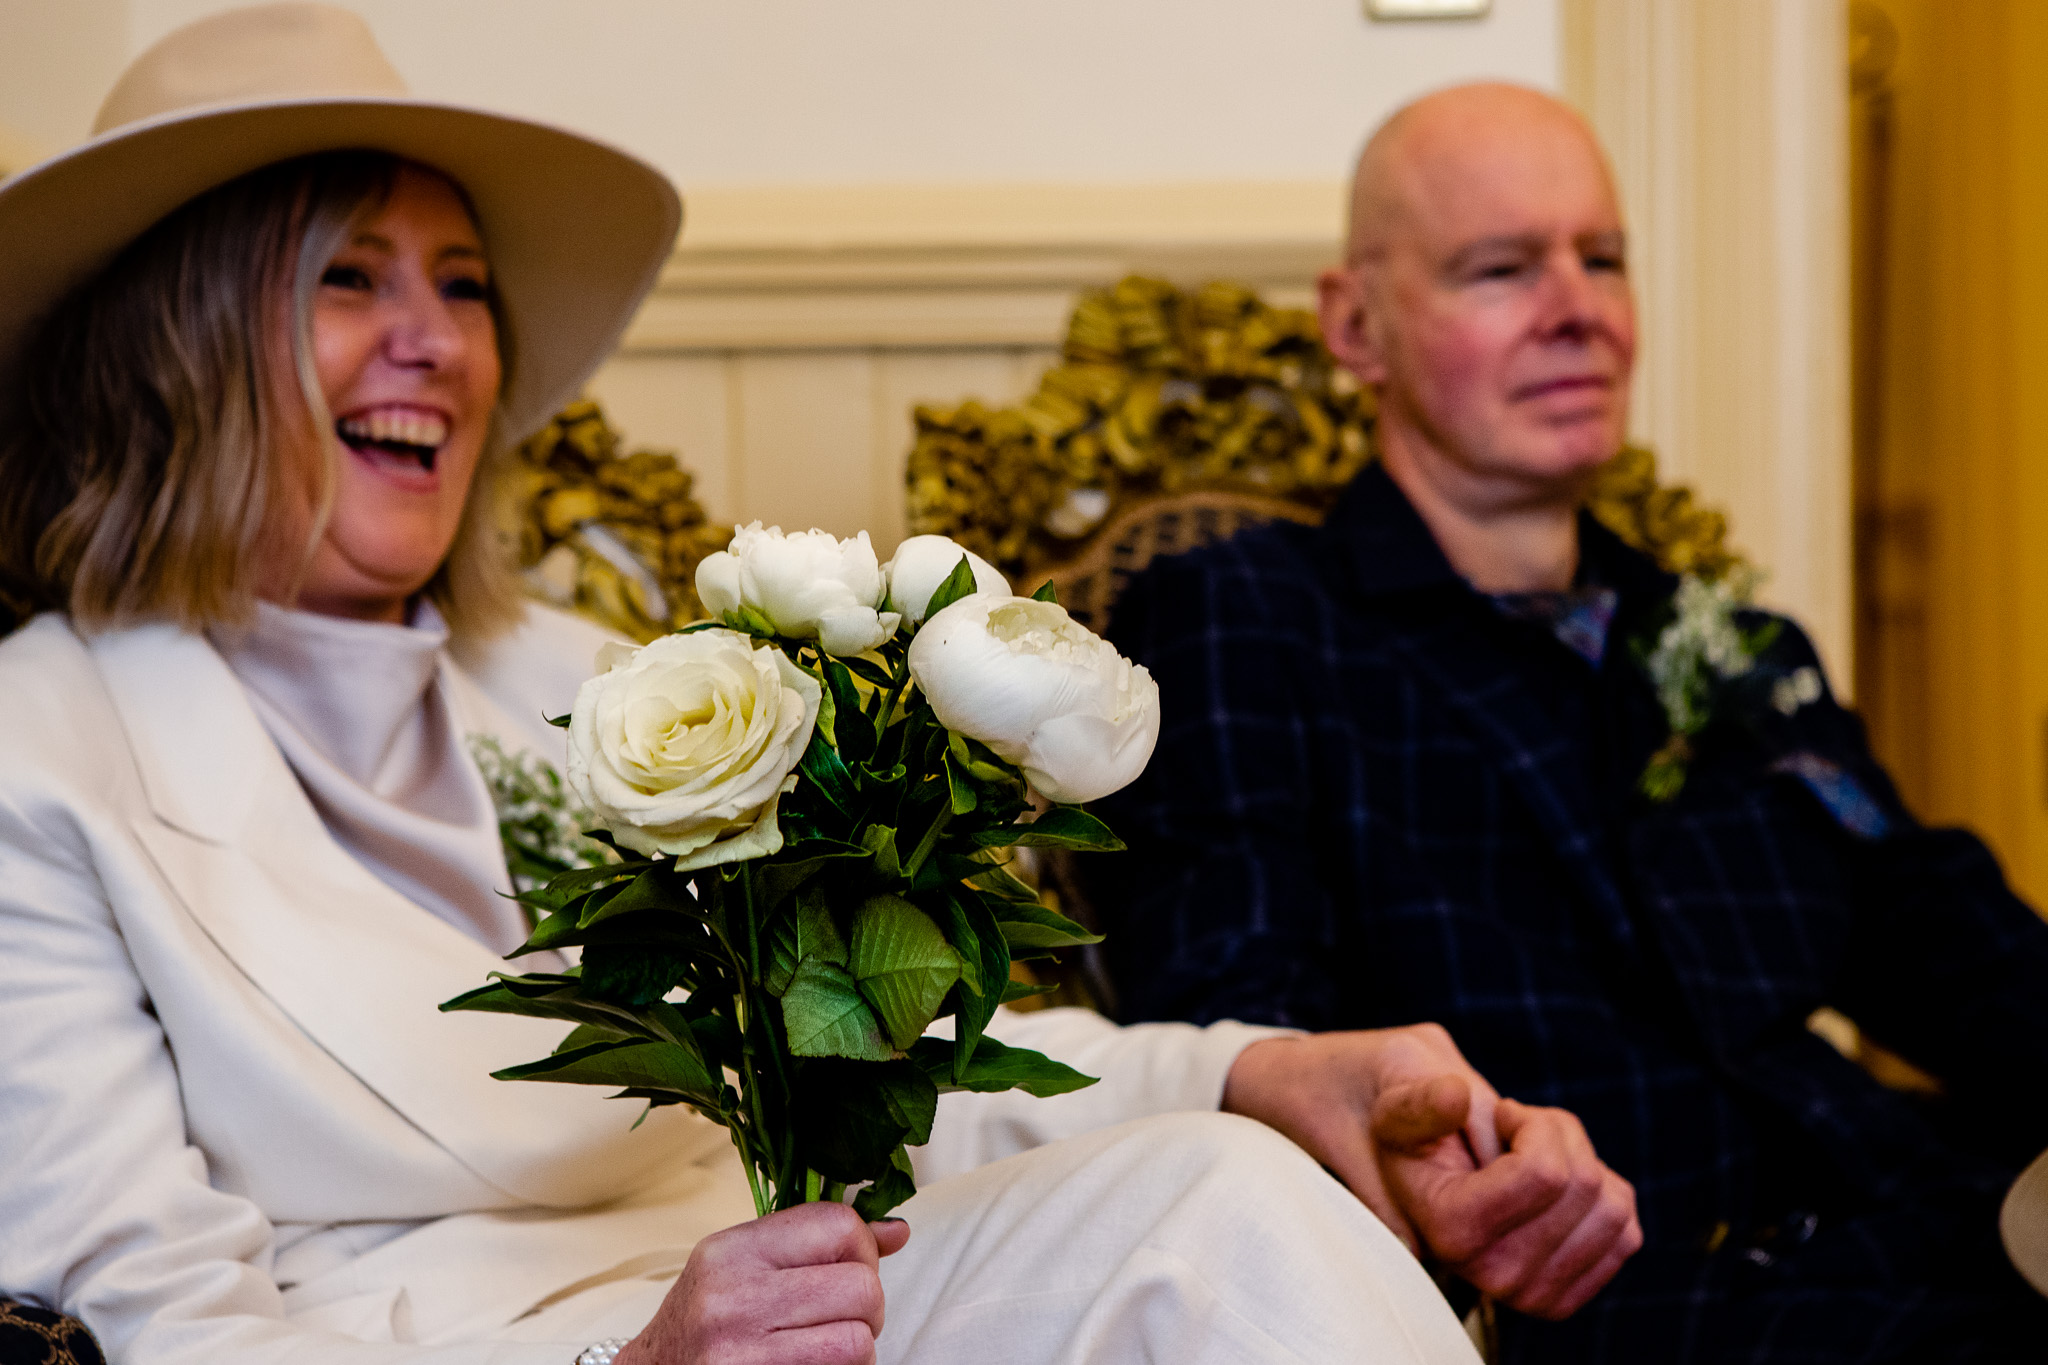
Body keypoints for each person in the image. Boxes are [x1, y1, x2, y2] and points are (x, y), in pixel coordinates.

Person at [0, 14, 1638, 1365]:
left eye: (466, 284)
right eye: (352, 279)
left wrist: (1243, 1071)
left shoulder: (603, 685)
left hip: (817, 1292)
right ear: (180, 342)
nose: (438, 342)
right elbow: (145, 1331)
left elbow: (889, 1069)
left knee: (1226, 1195)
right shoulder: (41, 754)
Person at [1089, 81, 2048, 1362]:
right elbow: (1241, 1026)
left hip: (1915, 1216)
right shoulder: (1244, 618)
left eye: (1601, 259)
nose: (1576, 310)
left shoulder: (1737, 646)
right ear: (1354, 323)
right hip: (1587, 1296)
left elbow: (1944, 936)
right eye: (1499, 268)